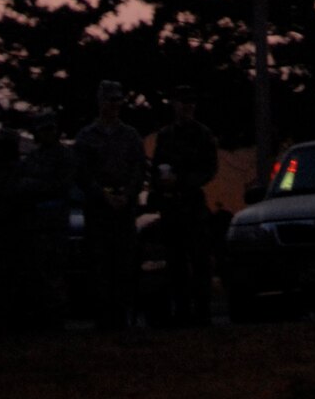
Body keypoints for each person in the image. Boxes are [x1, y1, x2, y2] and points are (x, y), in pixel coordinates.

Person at [73, 80, 147, 329]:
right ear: (101, 102)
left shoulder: (130, 135)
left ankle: (123, 314)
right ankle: (103, 317)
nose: (115, 105)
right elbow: (82, 173)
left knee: (124, 263)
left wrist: (127, 193)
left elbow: (139, 169)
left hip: (124, 208)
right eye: (110, 100)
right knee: (100, 263)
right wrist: (103, 195)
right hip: (98, 209)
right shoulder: (86, 137)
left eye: (118, 101)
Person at [150, 86, 218, 326]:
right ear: (174, 105)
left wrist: (185, 182)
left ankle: (202, 311)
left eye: (191, 103)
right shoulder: (165, 136)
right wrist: (162, 183)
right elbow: (157, 165)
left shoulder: (203, 134)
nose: (188, 107)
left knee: (200, 260)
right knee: (175, 260)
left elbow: (210, 169)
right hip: (172, 206)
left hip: (192, 204)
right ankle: (181, 310)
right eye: (183, 102)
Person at [18, 111, 76, 329]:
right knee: (36, 272)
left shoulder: (64, 156)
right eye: (43, 130)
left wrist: (35, 186)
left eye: (50, 129)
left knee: (54, 272)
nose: (47, 134)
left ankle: (56, 317)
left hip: (55, 223)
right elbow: (21, 184)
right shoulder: (34, 157)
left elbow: (61, 185)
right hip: (35, 224)